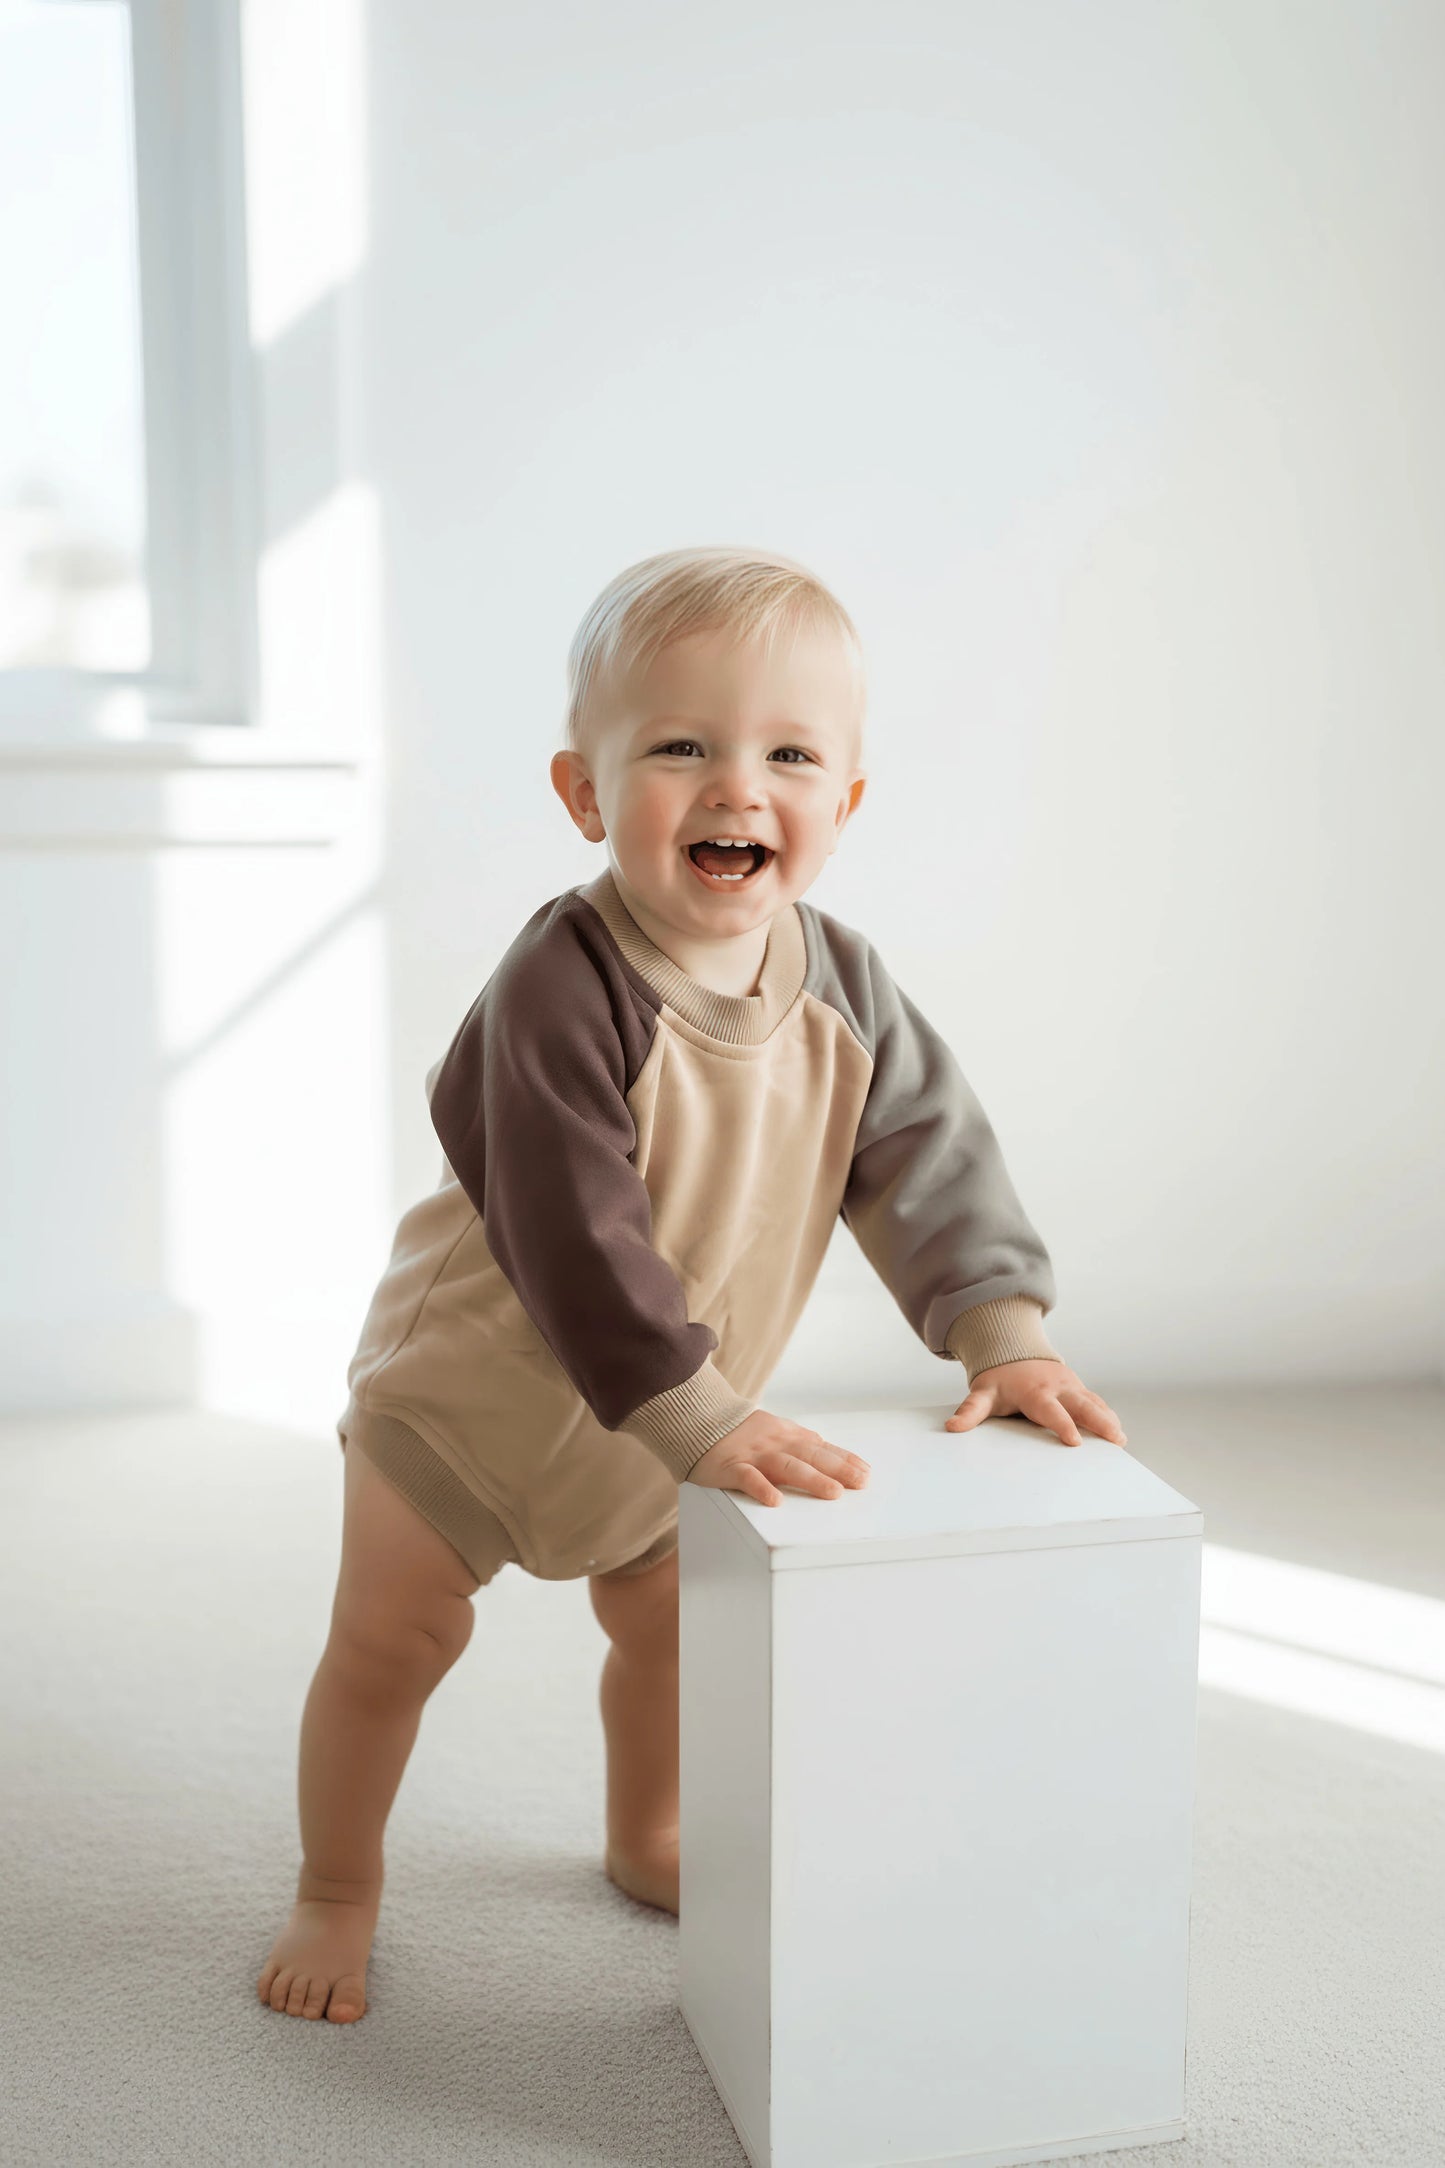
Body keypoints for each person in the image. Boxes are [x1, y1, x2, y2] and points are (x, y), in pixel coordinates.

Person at [256, 545, 1128, 2024]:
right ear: (585, 796)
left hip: (673, 1418)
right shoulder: (562, 982)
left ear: (840, 806)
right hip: (471, 1405)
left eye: (788, 754)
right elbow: (568, 1219)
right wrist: (693, 1410)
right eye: (680, 748)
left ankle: (646, 1833)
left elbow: (928, 1157)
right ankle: (336, 1885)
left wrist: (1003, 1329)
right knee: (392, 1641)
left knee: (672, 1633)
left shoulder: (842, 986)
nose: (736, 788)